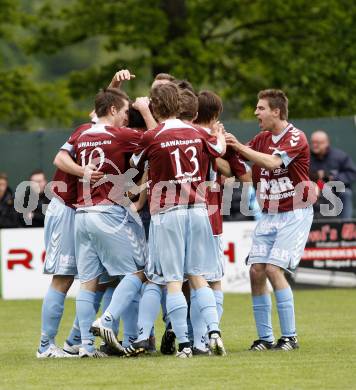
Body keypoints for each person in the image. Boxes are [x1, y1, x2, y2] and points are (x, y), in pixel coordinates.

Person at [127, 83, 227, 358]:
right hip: (198, 210)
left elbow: (135, 164)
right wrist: (217, 134)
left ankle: (184, 343)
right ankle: (213, 331)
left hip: (168, 213)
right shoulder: (198, 132)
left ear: (156, 108)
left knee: (171, 280)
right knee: (198, 277)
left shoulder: (153, 135)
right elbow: (218, 150)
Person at [225, 89, 315, 351]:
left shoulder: (296, 136)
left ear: (276, 111)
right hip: (269, 213)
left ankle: (290, 337)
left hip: (294, 213)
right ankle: (264, 338)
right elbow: (235, 165)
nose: (256, 113)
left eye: (260, 108)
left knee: (274, 269)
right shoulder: (261, 138)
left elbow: (274, 163)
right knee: (256, 271)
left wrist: (238, 146)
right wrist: (218, 146)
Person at [310, 130, 356, 219]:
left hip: (335, 190)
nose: (315, 145)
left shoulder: (339, 156)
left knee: (346, 193)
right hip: (314, 191)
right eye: (313, 142)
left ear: (327, 143)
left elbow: (352, 173)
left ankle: (345, 225)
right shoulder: (306, 157)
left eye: (318, 142)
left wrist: (333, 178)